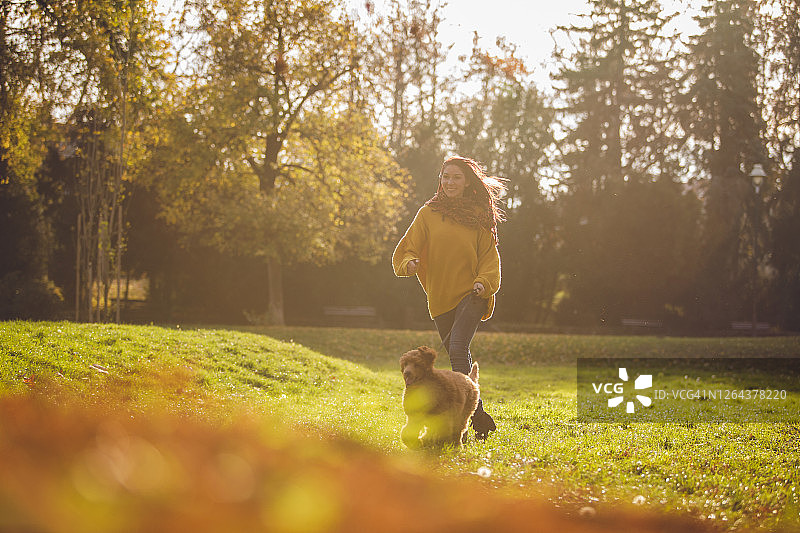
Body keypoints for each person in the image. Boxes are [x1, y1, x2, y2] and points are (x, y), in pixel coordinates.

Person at [392, 155, 506, 440]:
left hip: (473, 293)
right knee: (460, 353)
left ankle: (464, 420)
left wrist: (483, 282)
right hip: (440, 296)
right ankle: (478, 417)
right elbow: (409, 246)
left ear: (467, 182)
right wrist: (409, 262)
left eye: (456, 177)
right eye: (446, 177)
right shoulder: (428, 213)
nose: (450, 182)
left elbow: (489, 257)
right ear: (440, 181)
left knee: (456, 348)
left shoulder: (479, 216)